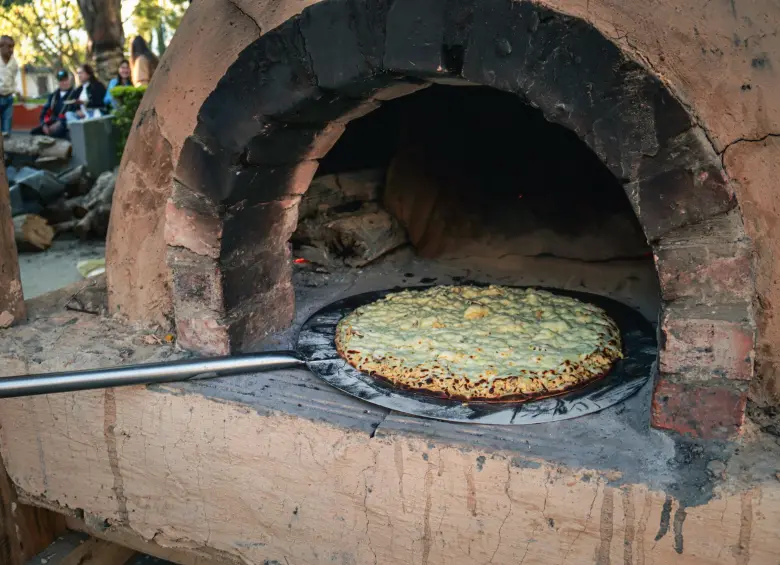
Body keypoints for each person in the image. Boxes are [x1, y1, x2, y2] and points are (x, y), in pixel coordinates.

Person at [30, 70, 74, 138]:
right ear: (58, 82)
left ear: (69, 80)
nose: (64, 83)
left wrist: (60, 123)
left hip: (66, 125)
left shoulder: (74, 94)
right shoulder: (53, 96)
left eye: (66, 80)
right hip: (52, 123)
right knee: (34, 133)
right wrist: (44, 125)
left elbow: (73, 114)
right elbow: (44, 112)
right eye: (61, 81)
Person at [0, 35, 20, 136]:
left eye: (12, 47)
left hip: (8, 99)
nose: (11, 50)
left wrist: (17, 92)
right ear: (1, 47)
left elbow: (13, 80)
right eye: (9, 47)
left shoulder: (14, 63)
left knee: (6, 131)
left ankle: (5, 150)